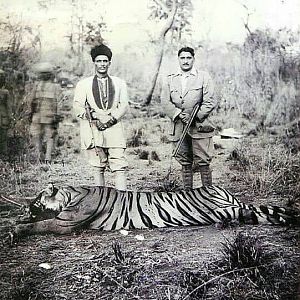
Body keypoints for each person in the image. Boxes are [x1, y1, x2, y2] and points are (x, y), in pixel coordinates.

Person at [73, 44, 129, 190]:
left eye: (105, 61)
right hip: (93, 130)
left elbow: (124, 106)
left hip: (114, 129)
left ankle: (122, 203)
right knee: (97, 166)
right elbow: (77, 107)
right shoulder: (83, 84)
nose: (102, 64)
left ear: (109, 63)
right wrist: (95, 116)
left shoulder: (120, 83)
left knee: (119, 166)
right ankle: (101, 202)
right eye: (99, 61)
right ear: (94, 63)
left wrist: (110, 120)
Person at [160, 46, 217, 189]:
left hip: (199, 125)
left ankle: (207, 194)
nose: (185, 61)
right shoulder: (170, 79)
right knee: (184, 161)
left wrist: (195, 116)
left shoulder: (203, 76)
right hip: (178, 125)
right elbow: (165, 101)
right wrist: (179, 114)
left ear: (193, 59)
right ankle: (187, 197)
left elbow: (210, 101)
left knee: (203, 161)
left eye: (188, 58)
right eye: (182, 58)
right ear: (178, 59)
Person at [29, 62, 61, 164]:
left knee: (39, 136)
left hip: (40, 115)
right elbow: (59, 103)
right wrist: (57, 115)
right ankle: (46, 158)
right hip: (47, 115)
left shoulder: (36, 86)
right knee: (48, 137)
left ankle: (43, 157)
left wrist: (31, 113)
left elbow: (31, 101)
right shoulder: (55, 87)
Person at [0, 69, 9, 157]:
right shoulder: (5, 92)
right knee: (3, 138)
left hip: (3, 117)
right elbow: (8, 107)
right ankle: (4, 156)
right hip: (3, 117)